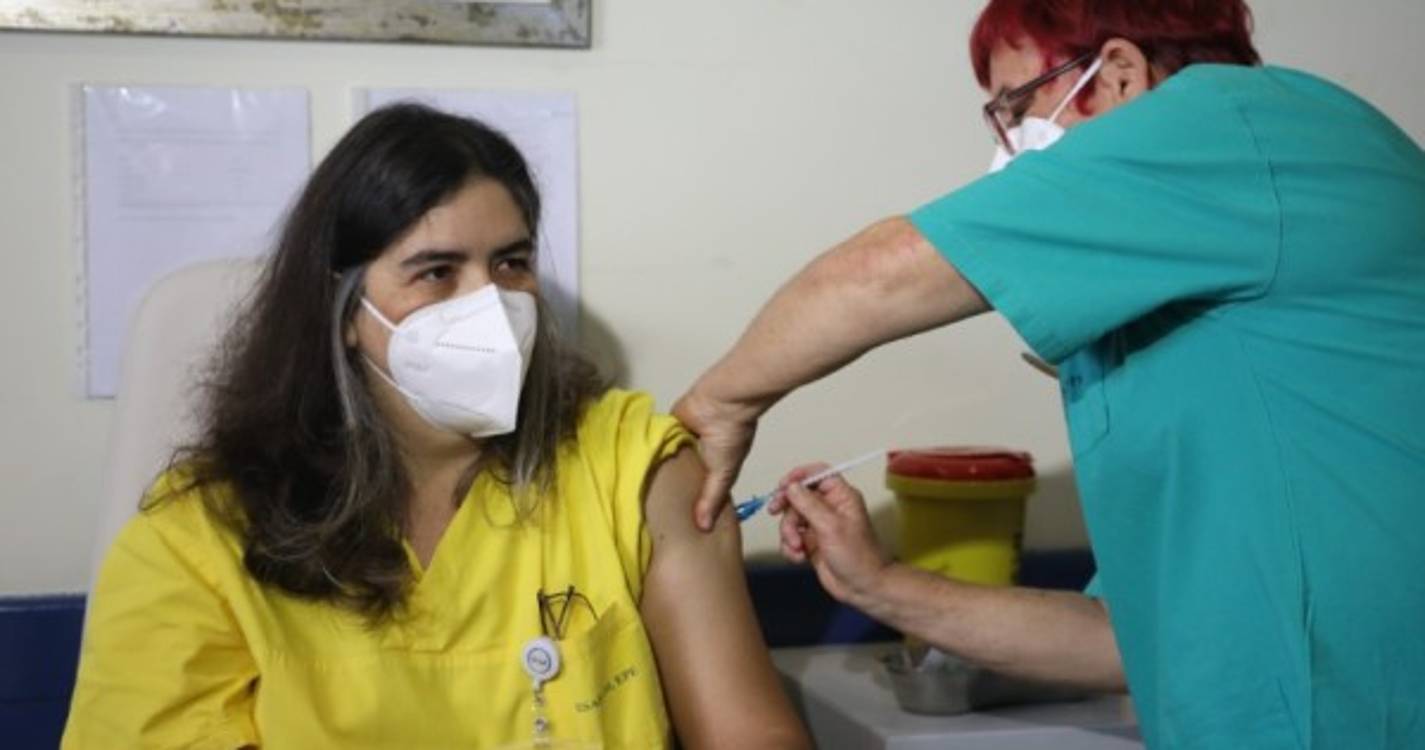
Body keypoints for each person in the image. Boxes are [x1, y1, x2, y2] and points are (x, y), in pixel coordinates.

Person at [674, 0, 1425, 747]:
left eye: (1014, 105)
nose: (1008, 141)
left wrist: (720, 401)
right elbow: (1118, 640)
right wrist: (876, 583)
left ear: (1122, 76)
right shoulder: (1188, 313)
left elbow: (883, 274)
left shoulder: (1231, 118)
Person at [63, 103, 809, 750]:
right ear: (345, 309)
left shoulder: (634, 469)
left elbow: (750, 734)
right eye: (435, 271)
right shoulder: (204, 534)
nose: (490, 302)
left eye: (511, 263)